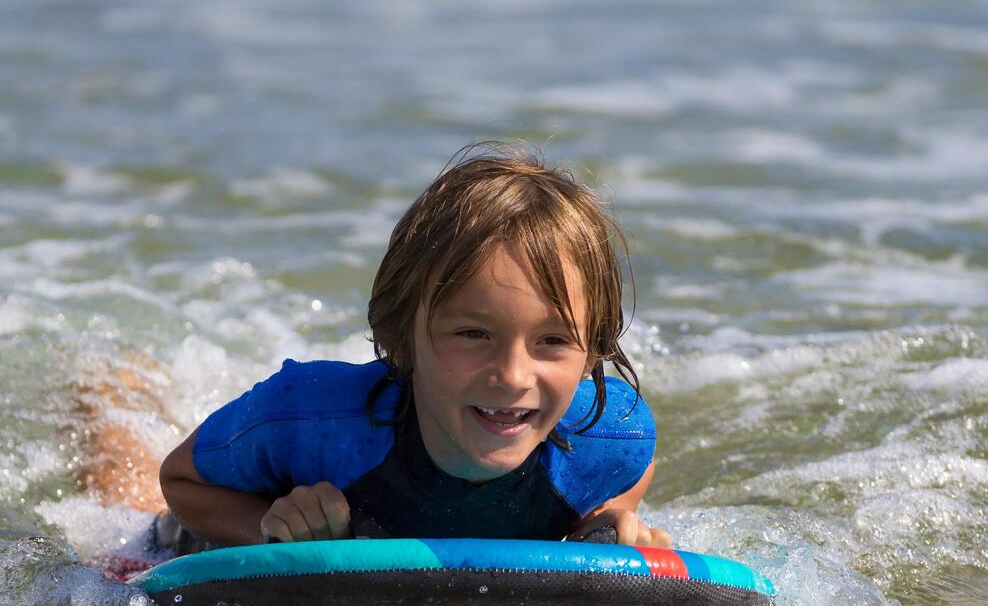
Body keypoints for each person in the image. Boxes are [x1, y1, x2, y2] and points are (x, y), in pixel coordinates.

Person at [158, 146, 670, 552]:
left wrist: (602, 518)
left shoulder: (609, 431)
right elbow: (180, 482)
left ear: (593, 352)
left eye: (553, 341)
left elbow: (633, 457)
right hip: (178, 533)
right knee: (123, 499)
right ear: (401, 335)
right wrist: (269, 526)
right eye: (473, 334)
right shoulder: (311, 421)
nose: (513, 375)